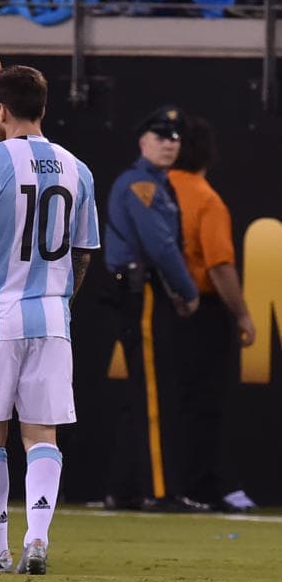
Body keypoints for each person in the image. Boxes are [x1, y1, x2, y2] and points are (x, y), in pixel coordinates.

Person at [0, 65, 99, 574]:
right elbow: (83, 254)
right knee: (41, 435)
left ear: (2, 110)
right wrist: (60, 302)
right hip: (52, 319)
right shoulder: (79, 170)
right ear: (45, 110)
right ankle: (37, 538)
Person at [103, 105, 205, 513]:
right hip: (141, 292)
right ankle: (159, 491)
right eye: (160, 136)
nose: (169, 143)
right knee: (153, 395)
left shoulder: (156, 183)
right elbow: (160, 245)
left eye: (175, 138)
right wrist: (188, 290)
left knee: (143, 394)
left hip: (144, 290)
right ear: (142, 142)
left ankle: (124, 487)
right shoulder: (141, 185)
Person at [167, 115, 257, 512]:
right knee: (204, 405)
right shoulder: (205, 198)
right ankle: (201, 486)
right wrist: (242, 314)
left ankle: (162, 485)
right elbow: (219, 266)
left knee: (169, 403)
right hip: (201, 312)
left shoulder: (154, 189)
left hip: (160, 308)